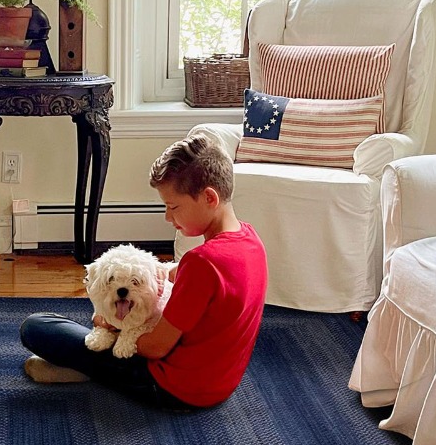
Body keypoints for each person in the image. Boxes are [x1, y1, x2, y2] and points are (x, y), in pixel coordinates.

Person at [19, 133, 268, 408]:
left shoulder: (203, 262)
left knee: (37, 327)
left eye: (173, 207)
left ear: (209, 197)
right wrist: (165, 271)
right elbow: (208, 285)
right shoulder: (250, 239)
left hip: (171, 387)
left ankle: (86, 370)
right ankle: (88, 366)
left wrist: (111, 323)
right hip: (221, 384)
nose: (168, 217)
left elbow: (154, 347)